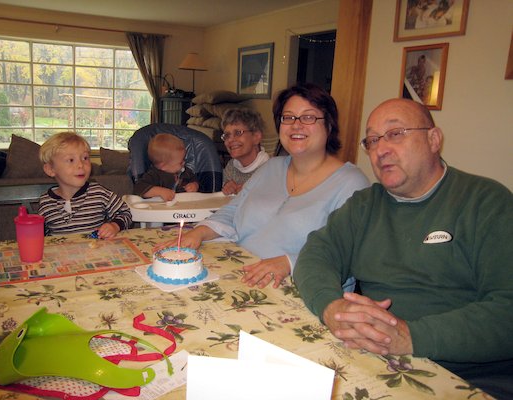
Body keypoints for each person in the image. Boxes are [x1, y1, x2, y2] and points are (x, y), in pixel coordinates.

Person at [293, 98, 513, 399]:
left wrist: (410, 336)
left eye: (396, 134)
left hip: (466, 376)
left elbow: (507, 309)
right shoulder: (365, 205)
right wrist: (332, 307)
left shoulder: (487, 203)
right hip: (374, 360)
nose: (380, 149)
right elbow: (317, 253)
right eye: (371, 140)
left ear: (434, 140)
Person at [157, 83, 370, 289]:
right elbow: (232, 211)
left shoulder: (351, 183)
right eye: (288, 117)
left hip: (300, 289)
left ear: (329, 125)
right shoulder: (272, 167)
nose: (296, 125)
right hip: (238, 273)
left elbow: (349, 255)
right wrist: (199, 232)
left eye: (308, 117)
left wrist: (289, 262)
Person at [38, 131, 132, 238]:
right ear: (50, 169)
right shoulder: (46, 201)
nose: (80, 165)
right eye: (71, 160)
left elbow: (125, 212)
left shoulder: (99, 193)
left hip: (95, 252)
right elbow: (41, 237)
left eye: (85, 158)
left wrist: (114, 226)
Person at [133, 133, 199, 200]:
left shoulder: (186, 172)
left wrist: (194, 185)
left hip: (183, 206)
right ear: (163, 166)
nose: (184, 163)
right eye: (180, 162)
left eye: (184, 159)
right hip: (160, 208)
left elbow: (194, 179)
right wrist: (160, 191)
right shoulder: (154, 175)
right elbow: (138, 188)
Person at [220, 108, 269, 195]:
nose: (230, 140)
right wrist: (227, 187)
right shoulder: (231, 167)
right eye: (227, 135)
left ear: (256, 137)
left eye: (238, 133)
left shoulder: (271, 170)